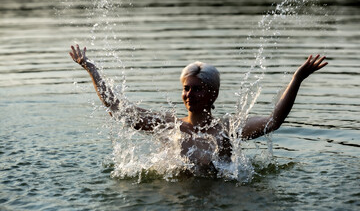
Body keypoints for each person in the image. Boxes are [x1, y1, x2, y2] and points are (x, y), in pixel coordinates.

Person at [69, 44, 328, 174]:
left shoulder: (228, 129)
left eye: (196, 88)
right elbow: (117, 108)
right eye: (186, 88)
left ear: (212, 93)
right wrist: (90, 68)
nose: (189, 94)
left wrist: (298, 78)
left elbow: (274, 121)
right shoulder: (168, 125)